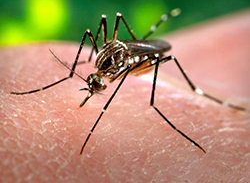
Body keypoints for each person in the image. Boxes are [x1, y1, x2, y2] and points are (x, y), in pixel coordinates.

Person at [1, 10, 250, 182]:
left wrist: (100, 113)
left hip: (139, 58)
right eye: (93, 83)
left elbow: (128, 67)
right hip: (121, 53)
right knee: (96, 28)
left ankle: (197, 93)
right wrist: (76, 69)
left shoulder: (113, 70)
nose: (93, 86)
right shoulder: (101, 66)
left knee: (162, 54)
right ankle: (124, 48)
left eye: (94, 84)